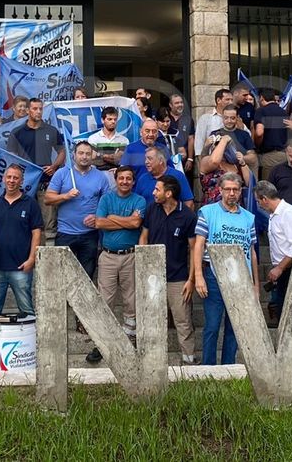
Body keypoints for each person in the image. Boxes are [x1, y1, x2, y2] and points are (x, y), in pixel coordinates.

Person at [192, 173, 258, 365]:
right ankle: (208, 368)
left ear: (240, 192)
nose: (231, 193)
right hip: (213, 275)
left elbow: (252, 251)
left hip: (241, 277)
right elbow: (199, 244)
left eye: (235, 189)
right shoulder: (207, 212)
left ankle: (229, 366)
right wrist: (198, 276)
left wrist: (255, 284)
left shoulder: (249, 218)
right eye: (227, 189)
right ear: (220, 190)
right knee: (212, 326)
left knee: (235, 326)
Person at [88, 166, 147, 363]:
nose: (124, 182)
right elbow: (99, 224)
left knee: (131, 299)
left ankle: (130, 338)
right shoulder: (106, 199)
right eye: (121, 178)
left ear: (133, 181)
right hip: (108, 256)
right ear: (116, 179)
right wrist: (125, 221)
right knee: (105, 300)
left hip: (130, 255)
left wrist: (112, 218)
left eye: (128, 178)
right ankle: (102, 342)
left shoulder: (139, 200)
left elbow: (136, 224)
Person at [139, 174, 198, 364]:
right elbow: (144, 237)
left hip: (178, 277)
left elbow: (193, 248)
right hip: (152, 277)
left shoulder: (187, 215)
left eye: (157, 189)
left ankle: (189, 360)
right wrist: (142, 268)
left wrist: (191, 280)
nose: (153, 192)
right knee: (151, 319)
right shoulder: (151, 209)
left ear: (169, 193)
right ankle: (151, 362)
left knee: (183, 321)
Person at [44, 141, 110, 282]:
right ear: (74, 155)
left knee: (87, 276)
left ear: (92, 156)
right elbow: (48, 199)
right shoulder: (62, 174)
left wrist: (98, 216)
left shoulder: (100, 177)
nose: (84, 157)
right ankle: (64, 304)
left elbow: (106, 204)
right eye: (81, 153)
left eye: (87, 153)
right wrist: (65, 196)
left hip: (89, 234)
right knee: (61, 276)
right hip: (65, 233)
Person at [0, 164, 43, 317]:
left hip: (21, 266)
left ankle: (31, 341)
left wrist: (31, 259)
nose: (11, 180)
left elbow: (37, 234)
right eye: (9, 177)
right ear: (3, 179)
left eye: (16, 178)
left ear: (21, 181)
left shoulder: (30, 204)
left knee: (27, 310)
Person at [8, 97, 65, 240]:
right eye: (35, 108)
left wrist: (54, 166)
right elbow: (10, 156)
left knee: (48, 223)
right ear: (27, 110)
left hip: (45, 182)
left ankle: (45, 258)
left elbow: (62, 152)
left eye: (41, 109)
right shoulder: (17, 132)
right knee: (21, 221)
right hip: (24, 184)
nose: (38, 111)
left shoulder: (51, 131)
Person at [252, 180, 292, 319]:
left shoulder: (288, 213)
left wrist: (280, 268)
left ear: (265, 199)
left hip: (289, 269)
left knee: (288, 314)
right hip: (282, 269)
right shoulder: (274, 215)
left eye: (258, 201)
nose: (258, 204)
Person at [199, 124, 252, 207]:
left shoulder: (235, 165)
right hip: (213, 209)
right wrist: (224, 140)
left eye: (226, 145)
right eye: (218, 145)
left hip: (234, 208)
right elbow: (214, 161)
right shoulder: (206, 161)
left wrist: (242, 163)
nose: (222, 148)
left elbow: (250, 183)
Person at [253, 88, 290, 183]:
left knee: (268, 189)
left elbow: (259, 132)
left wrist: (256, 145)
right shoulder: (283, 112)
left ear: (261, 98)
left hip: (268, 157)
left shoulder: (261, 111)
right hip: (284, 155)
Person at [218, 105, 258, 181]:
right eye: (226, 118)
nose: (229, 121)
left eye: (232, 118)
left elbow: (253, 157)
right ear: (222, 118)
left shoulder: (244, 134)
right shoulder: (215, 134)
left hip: (241, 175)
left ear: (237, 118)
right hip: (221, 175)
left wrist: (243, 158)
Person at [88, 106, 129, 179]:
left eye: (115, 119)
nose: (113, 122)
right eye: (109, 119)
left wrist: (99, 155)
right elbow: (92, 161)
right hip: (97, 176)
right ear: (102, 120)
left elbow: (120, 160)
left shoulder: (124, 140)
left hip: (117, 176)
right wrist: (113, 157)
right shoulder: (93, 138)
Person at [194, 88, 233, 160]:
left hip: (231, 161)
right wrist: (201, 166)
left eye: (232, 100)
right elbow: (199, 143)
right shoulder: (205, 118)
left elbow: (246, 135)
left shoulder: (235, 118)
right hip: (211, 161)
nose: (231, 102)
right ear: (218, 100)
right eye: (227, 99)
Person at [164, 93, 195, 175]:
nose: (180, 105)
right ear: (170, 105)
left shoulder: (188, 119)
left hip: (183, 160)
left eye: (181, 102)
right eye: (177, 103)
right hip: (168, 159)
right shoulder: (165, 118)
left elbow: (191, 139)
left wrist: (190, 159)